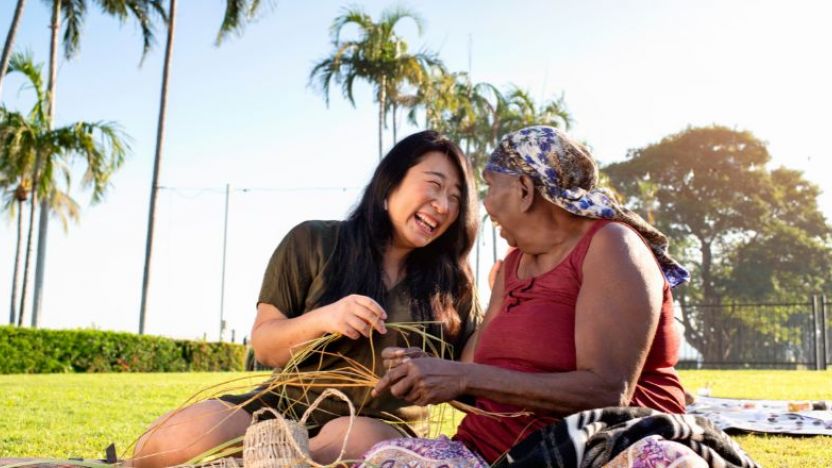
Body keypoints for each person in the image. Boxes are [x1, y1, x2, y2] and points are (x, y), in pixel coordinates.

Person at [132, 130, 482, 467]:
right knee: (165, 443)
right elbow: (265, 346)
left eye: (456, 197)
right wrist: (325, 319)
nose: (443, 205)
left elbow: (471, 383)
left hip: (376, 426)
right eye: (434, 185)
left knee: (339, 444)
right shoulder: (314, 241)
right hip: (281, 410)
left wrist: (498, 306)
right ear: (390, 182)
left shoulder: (453, 283)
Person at [371, 125, 691, 464]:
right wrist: (431, 372)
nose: (485, 205)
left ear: (524, 190)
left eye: (490, 186)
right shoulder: (512, 266)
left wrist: (463, 376)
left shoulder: (611, 245)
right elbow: (479, 380)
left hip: (594, 451)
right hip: (487, 452)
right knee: (384, 459)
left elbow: (608, 392)